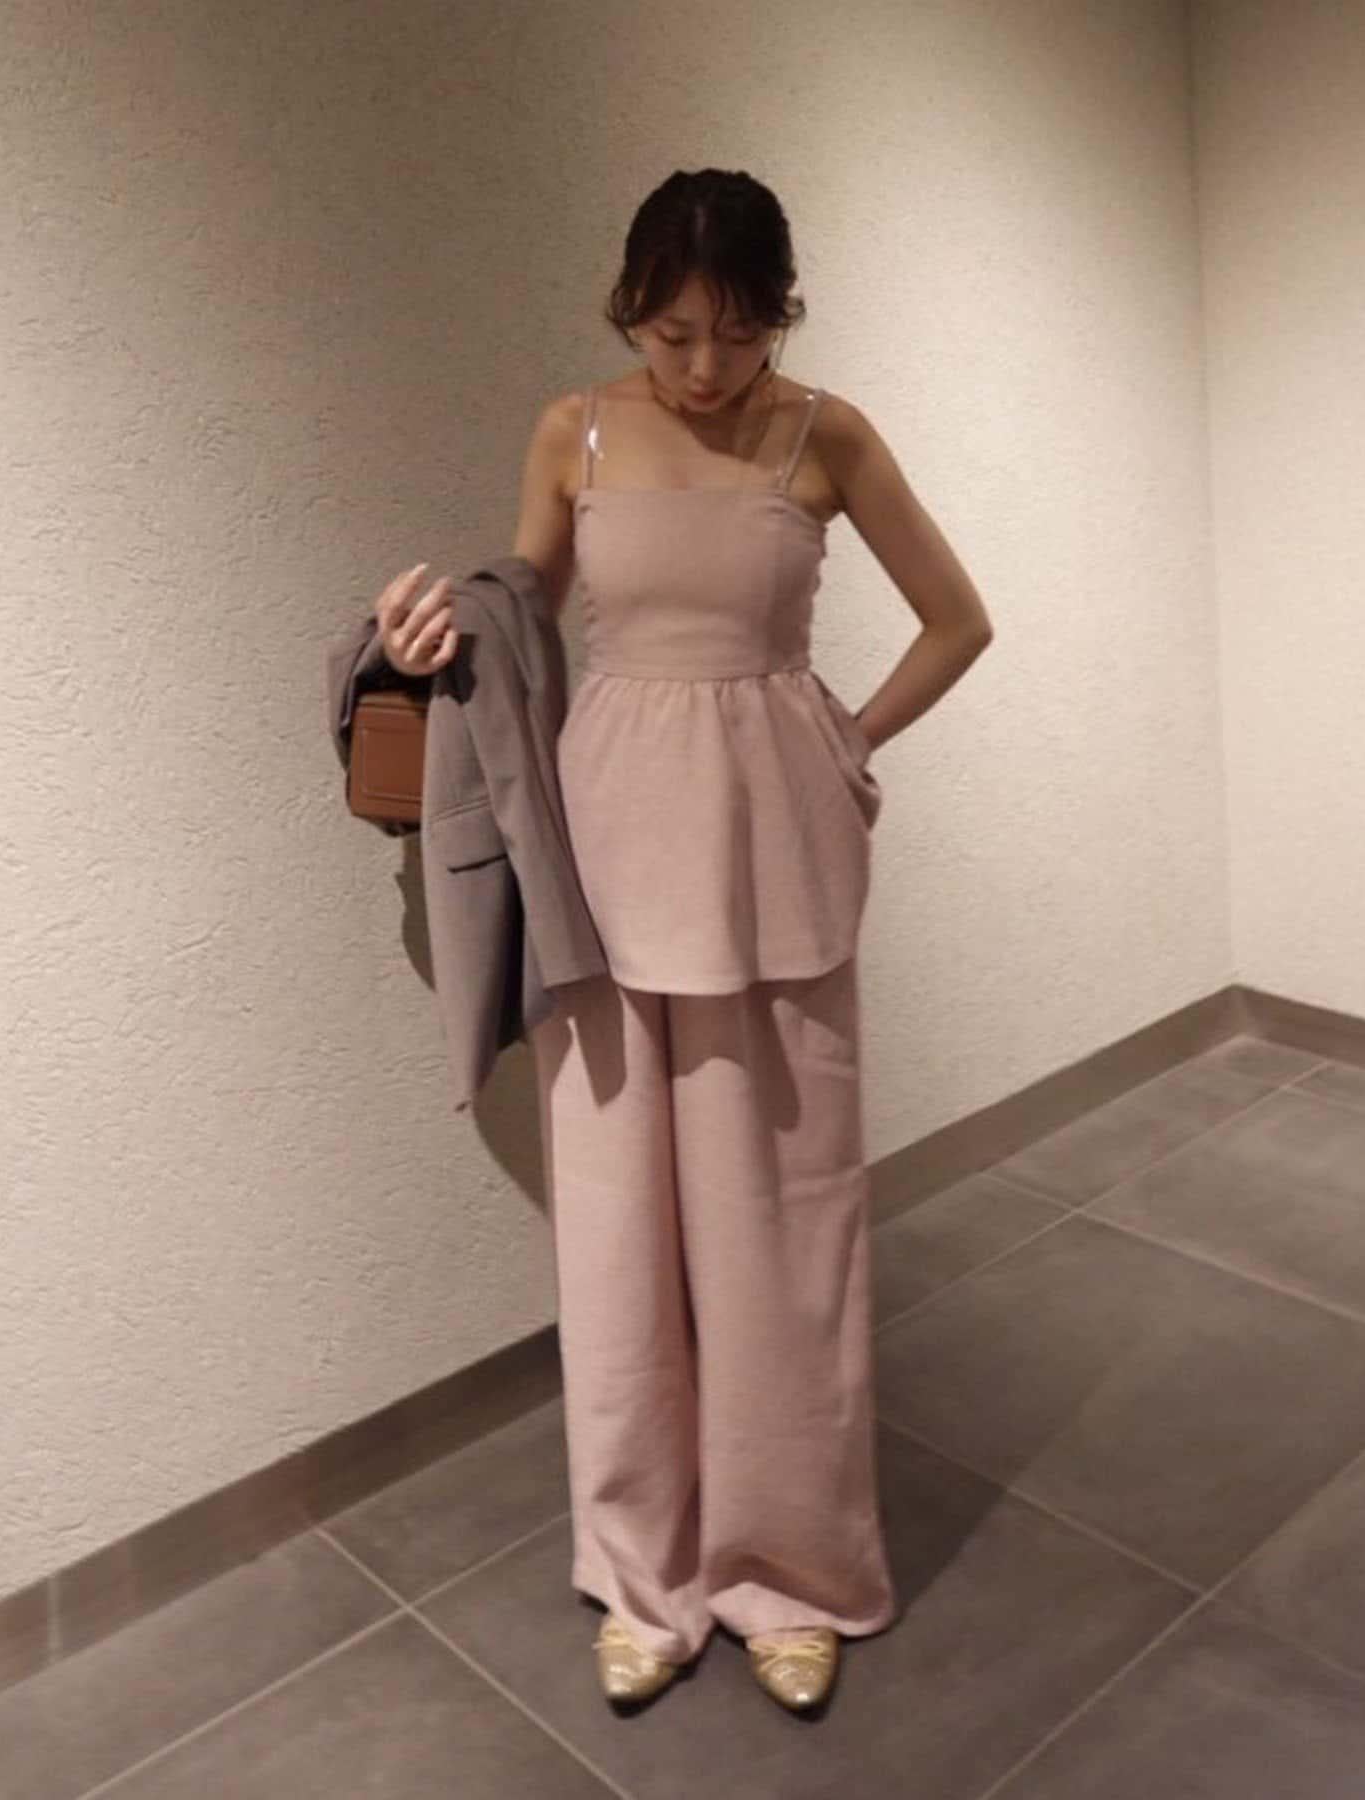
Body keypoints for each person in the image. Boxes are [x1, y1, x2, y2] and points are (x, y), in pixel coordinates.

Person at [372, 168, 994, 1713]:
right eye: (669, 334)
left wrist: (846, 739)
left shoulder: (826, 434)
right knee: (616, 1236)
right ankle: (643, 1576)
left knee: (784, 1232)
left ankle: (792, 1571)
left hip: (776, 860)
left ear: (782, 314)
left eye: (738, 333)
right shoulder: (573, 433)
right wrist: (424, 635)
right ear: (628, 314)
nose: (705, 369)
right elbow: (520, 620)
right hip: (605, 864)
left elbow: (958, 619)